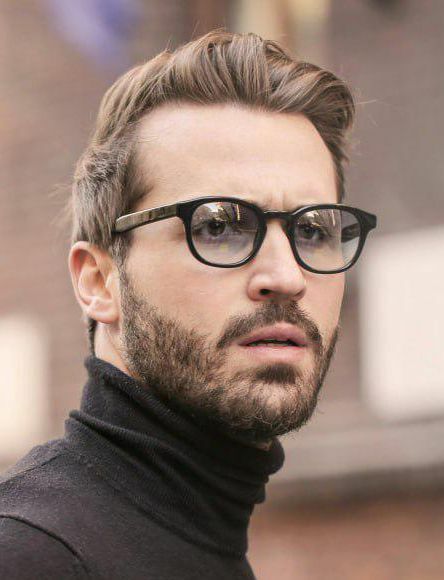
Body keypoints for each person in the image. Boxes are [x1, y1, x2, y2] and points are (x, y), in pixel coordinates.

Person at [0, 30, 377, 579]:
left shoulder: (203, 542)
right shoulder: (30, 556)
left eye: (314, 230)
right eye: (219, 226)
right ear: (100, 281)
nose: (286, 277)